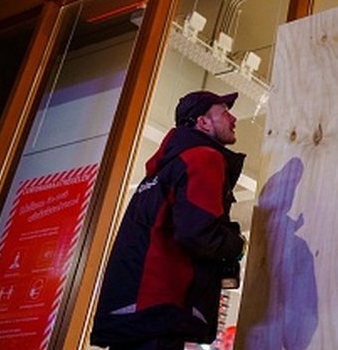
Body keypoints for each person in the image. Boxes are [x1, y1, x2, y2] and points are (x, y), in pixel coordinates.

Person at [91, 90, 248, 350]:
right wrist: (237, 245)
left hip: (131, 311)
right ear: (203, 122)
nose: (233, 119)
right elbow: (198, 232)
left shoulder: (163, 170)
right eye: (224, 112)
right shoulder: (203, 157)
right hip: (162, 307)